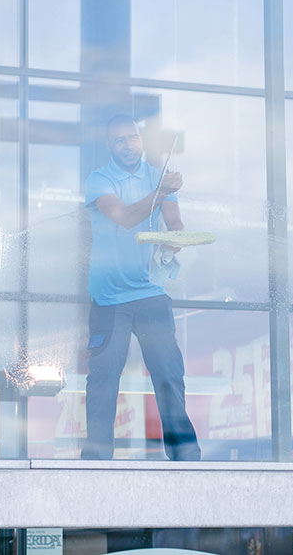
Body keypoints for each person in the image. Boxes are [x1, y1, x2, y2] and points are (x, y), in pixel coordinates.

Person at [81, 115, 200, 461]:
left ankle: (187, 458)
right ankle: (97, 461)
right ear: (109, 146)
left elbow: (174, 220)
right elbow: (126, 217)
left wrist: (174, 239)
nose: (128, 145)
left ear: (140, 139)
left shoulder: (155, 175)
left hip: (151, 293)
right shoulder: (99, 180)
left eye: (132, 138)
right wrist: (161, 192)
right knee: (103, 381)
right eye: (119, 140)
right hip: (109, 298)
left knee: (169, 375)